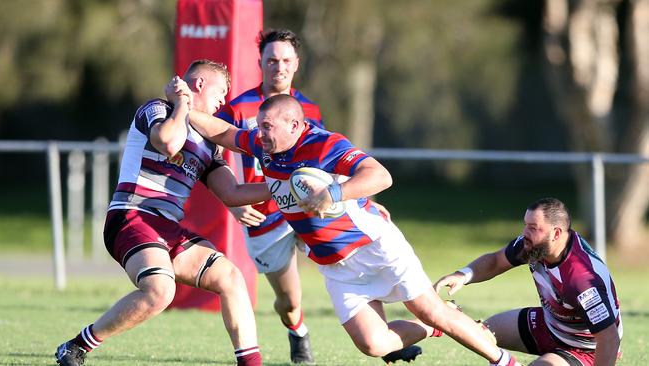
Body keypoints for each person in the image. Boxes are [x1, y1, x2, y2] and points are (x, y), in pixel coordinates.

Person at [169, 84, 521, 366]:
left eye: (267, 127)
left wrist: (334, 192)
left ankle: (503, 361)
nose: (259, 134)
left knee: (430, 308)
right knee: (373, 344)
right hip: (335, 267)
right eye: (259, 127)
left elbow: (380, 176)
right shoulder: (265, 146)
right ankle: (432, 329)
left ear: (295, 125)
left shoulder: (324, 143)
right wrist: (184, 107)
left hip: (374, 247)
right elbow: (226, 134)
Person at [54, 60, 269, 366]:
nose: (223, 101)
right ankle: (76, 346)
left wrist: (283, 189)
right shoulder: (157, 109)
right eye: (221, 92)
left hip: (166, 227)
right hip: (133, 215)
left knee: (231, 277)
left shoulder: (209, 145)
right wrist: (181, 104)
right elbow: (168, 142)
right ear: (199, 85)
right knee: (160, 290)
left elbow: (233, 193)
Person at [213, 28, 323, 364]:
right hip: (264, 217)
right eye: (272, 59)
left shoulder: (311, 110)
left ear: (296, 64)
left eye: (286, 60)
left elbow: (325, 160)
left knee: (353, 262)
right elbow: (211, 156)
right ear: (260, 61)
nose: (279, 66)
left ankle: (389, 335)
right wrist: (232, 202)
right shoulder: (238, 108)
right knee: (289, 302)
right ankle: (297, 329)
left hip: (305, 210)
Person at [434, 198, 622, 366]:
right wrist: (463, 275)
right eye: (525, 225)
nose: (525, 232)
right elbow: (496, 261)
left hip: (585, 350)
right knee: (480, 334)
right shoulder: (535, 245)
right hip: (550, 324)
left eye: (533, 227)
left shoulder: (582, 279)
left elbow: (609, 337)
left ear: (556, 233)